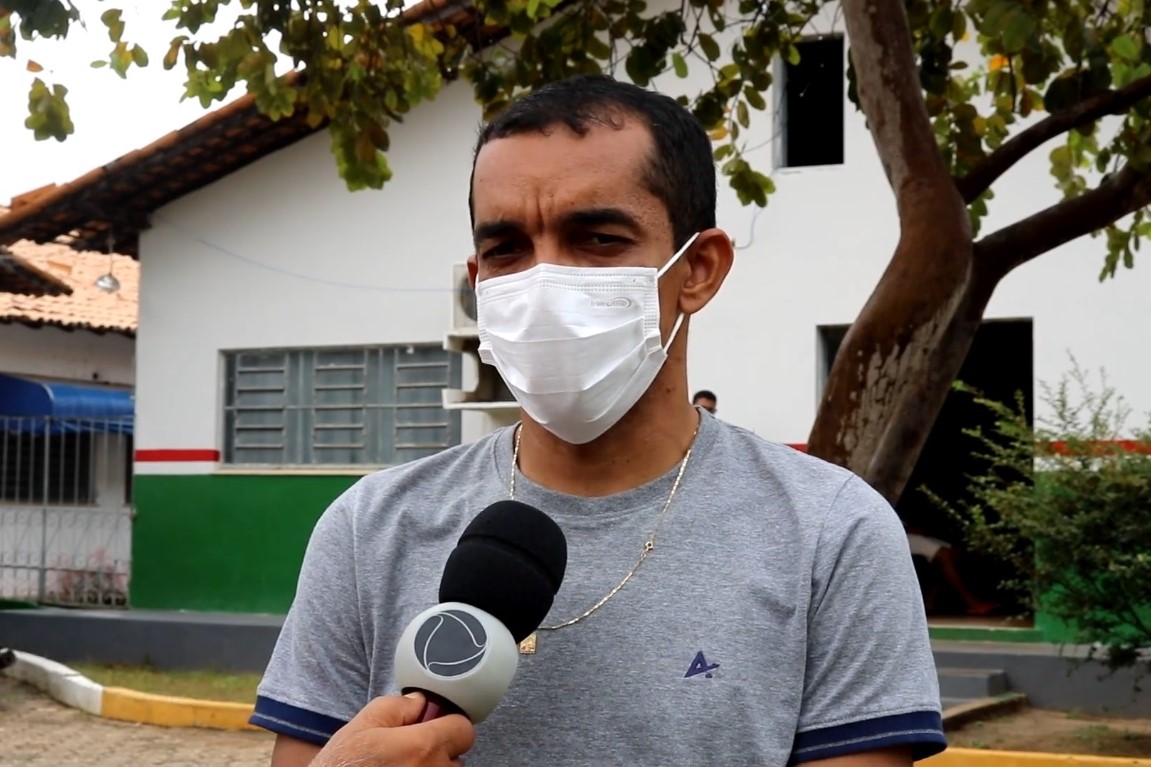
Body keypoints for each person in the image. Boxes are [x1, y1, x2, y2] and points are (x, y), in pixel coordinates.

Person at [252, 74, 946, 766]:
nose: (544, 282)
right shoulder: (370, 528)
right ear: (478, 280)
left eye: (598, 239)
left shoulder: (831, 534)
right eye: (506, 249)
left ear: (698, 269)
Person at [907, 530, 1000, 616]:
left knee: (953, 552)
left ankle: (930, 600)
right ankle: (973, 603)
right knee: (944, 554)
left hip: (906, 532)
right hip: (900, 535)